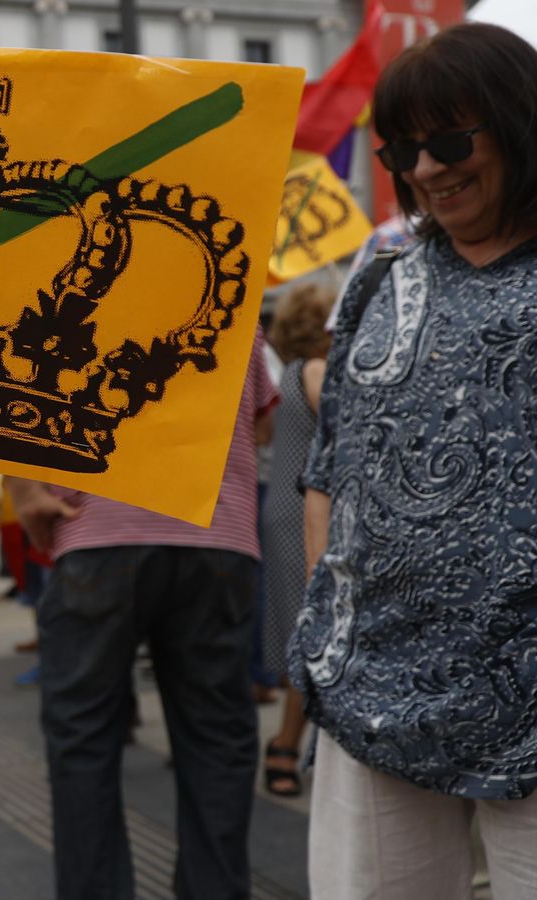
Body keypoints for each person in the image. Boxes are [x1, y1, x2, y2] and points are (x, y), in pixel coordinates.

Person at [291, 24, 537, 899]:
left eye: (451, 139)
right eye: (404, 148)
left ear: (518, 125)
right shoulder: (376, 281)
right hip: (373, 694)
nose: (428, 168)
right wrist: (331, 625)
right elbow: (328, 469)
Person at [6, 326, 277, 900]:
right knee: (217, 736)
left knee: (82, 735)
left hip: (99, 527)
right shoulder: (237, 285)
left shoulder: (68, 289)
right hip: (217, 532)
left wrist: (24, 488)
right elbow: (260, 422)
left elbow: (14, 395)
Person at [257, 284, 335, 797]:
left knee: (296, 630)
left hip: (279, 510)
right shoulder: (316, 371)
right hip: (301, 513)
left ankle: (287, 743)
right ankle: (286, 745)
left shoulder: (285, 371)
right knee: (308, 634)